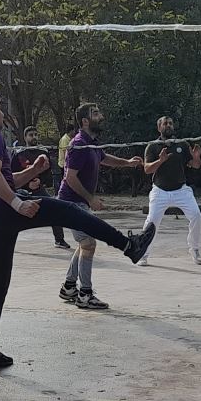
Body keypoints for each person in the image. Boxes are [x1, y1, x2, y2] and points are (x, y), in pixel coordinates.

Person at [0, 91, 154, 370]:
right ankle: (129, 246)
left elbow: (3, 179)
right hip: (2, 211)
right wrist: (17, 204)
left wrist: (32, 172)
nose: (3, 114)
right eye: (0, 109)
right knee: (71, 211)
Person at [58, 102, 146, 309]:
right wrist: (90, 199)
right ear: (85, 121)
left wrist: (127, 163)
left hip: (78, 203)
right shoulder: (79, 144)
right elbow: (70, 177)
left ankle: (69, 287)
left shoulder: (92, 143)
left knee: (84, 244)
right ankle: (85, 295)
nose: (101, 116)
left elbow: (105, 159)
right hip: (71, 203)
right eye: (96, 113)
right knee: (89, 244)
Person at [138, 116, 201, 266]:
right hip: (160, 191)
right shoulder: (152, 146)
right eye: (165, 123)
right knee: (152, 222)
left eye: (170, 123)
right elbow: (147, 169)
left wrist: (196, 157)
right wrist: (160, 161)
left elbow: (195, 165)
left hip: (181, 190)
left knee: (196, 216)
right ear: (159, 128)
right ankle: (143, 252)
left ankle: (194, 249)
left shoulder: (182, 144)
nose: (168, 125)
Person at [13, 125, 68, 248]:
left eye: (36, 135)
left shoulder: (43, 152)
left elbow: (48, 173)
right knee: (10, 214)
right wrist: (27, 184)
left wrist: (40, 181)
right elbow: (11, 173)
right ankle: (6, 241)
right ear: (25, 137)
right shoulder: (18, 153)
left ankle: (59, 240)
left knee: (55, 209)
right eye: (31, 135)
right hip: (21, 189)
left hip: (39, 189)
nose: (34, 137)